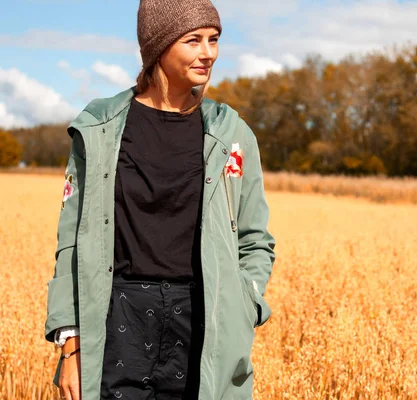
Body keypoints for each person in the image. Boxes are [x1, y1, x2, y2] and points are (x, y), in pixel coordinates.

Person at [43, 0, 276, 399]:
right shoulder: (100, 128)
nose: (208, 53)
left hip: (202, 324)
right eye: (193, 40)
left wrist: (244, 303)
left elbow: (255, 239)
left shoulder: (232, 134)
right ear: (158, 46)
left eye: (214, 39)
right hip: (119, 320)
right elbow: (72, 243)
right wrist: (72, 344)